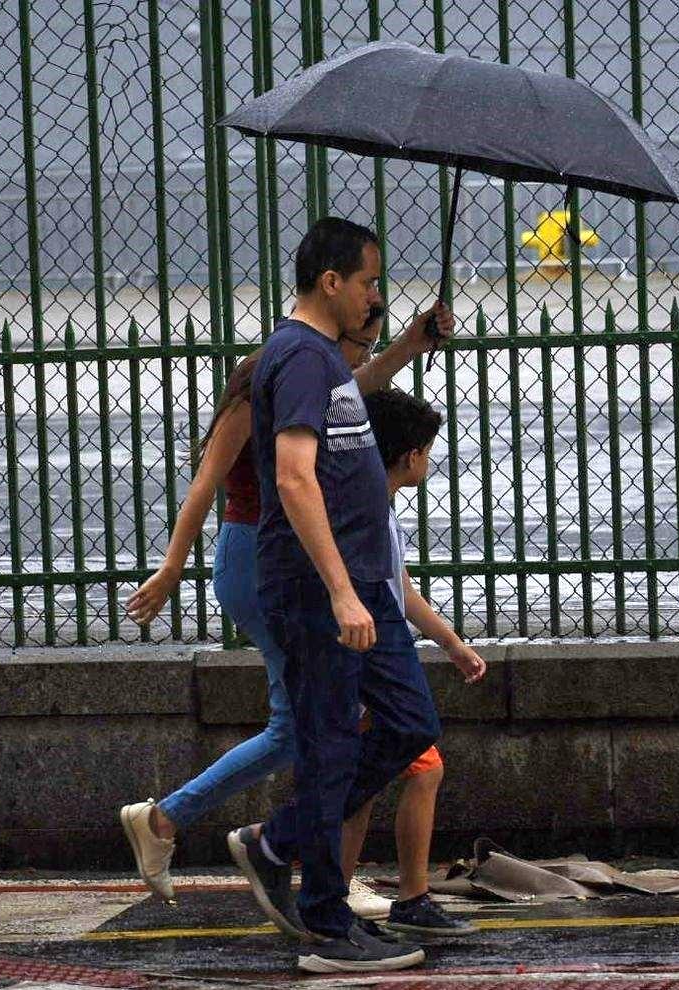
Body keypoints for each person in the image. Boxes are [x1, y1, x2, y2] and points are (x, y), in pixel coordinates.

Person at [118, 261, 454, 911]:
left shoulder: (316, 371)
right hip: (254, 560)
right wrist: (170, 567)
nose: (361, 354)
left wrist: (410, 347)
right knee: (310, 726)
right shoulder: (260, 384)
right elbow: (204, 484)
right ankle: (256, 845)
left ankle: (220, 834)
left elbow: (360, 385)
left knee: (313, 724)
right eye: (361, 335)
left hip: (283, 562)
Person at [227, 217, 445, 973]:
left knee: (411, 720)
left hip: (362, 588)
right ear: (331, 283)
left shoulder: (321, 360)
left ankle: (278, 841)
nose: (375, 294)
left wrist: (407, 348)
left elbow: (348, 401)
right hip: (325, 591)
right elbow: (292, 476)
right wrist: (342, 593)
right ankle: (325, 924)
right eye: (369, 281)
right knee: (329, 746)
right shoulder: (293, 354)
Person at [339, 387, 483, 939]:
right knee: (390, 775)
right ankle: (399, 896)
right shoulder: (373, 513)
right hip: (370, 664)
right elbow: (387, 589)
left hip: (373, 660)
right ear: (409, 456)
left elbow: (398, 587)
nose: (428, 459)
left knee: (381, 777)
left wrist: (448, 641)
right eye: (426, 449)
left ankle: (355, 895)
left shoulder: (376, 509)